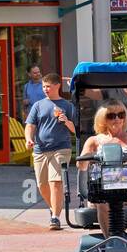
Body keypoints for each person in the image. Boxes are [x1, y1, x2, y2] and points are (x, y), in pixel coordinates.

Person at [79, 101, 127, 249]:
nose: (117, 119)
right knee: (103, 201)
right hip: (102, 190)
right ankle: (112, 244)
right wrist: (89, 156)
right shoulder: (94, 141)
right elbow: (81, 165)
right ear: (103, 119)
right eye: (111, 115)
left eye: (120, 115)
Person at [25, 73, 76, 231]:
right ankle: (54, 207)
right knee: (42, 185)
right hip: (40, 149)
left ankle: (55, 217)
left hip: (61, 148)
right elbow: (30, 125)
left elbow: (75, 130)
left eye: (48, 86)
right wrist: (28, 138)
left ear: (57, 86)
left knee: (56, 182)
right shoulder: (38, 105)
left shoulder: (67, 105)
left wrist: (66, 121)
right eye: (43, 87)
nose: (45, 89)